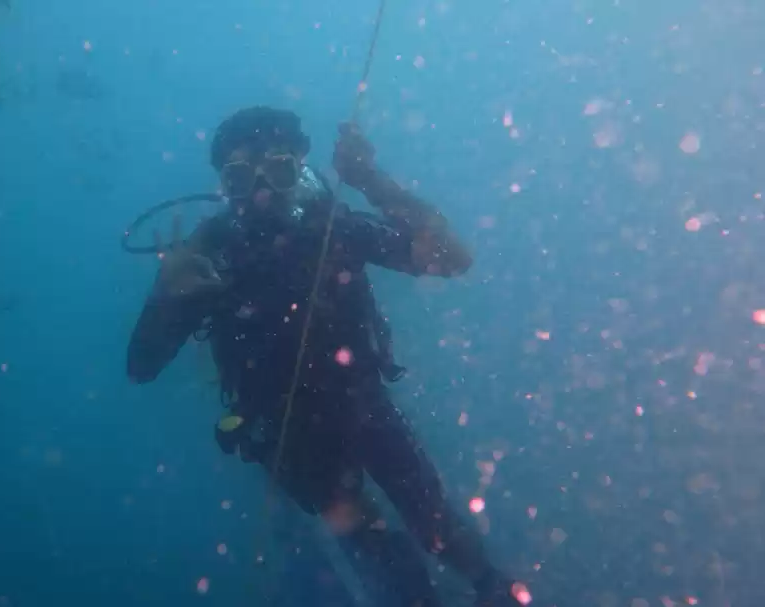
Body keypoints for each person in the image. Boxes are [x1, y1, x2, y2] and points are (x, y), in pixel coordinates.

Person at [126, 106, 524, 607]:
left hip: (362, 404)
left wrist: (371, 181)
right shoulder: (210, 255)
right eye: (241, 177)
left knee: (434, 518)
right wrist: (167, 295)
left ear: (301, 168)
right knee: (377, 546)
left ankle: (494, 589)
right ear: (224, 186)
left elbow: (453, 258)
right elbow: (141, 367)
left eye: (278, 169)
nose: (263, 190)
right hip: (283, 434)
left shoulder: (334, 229)